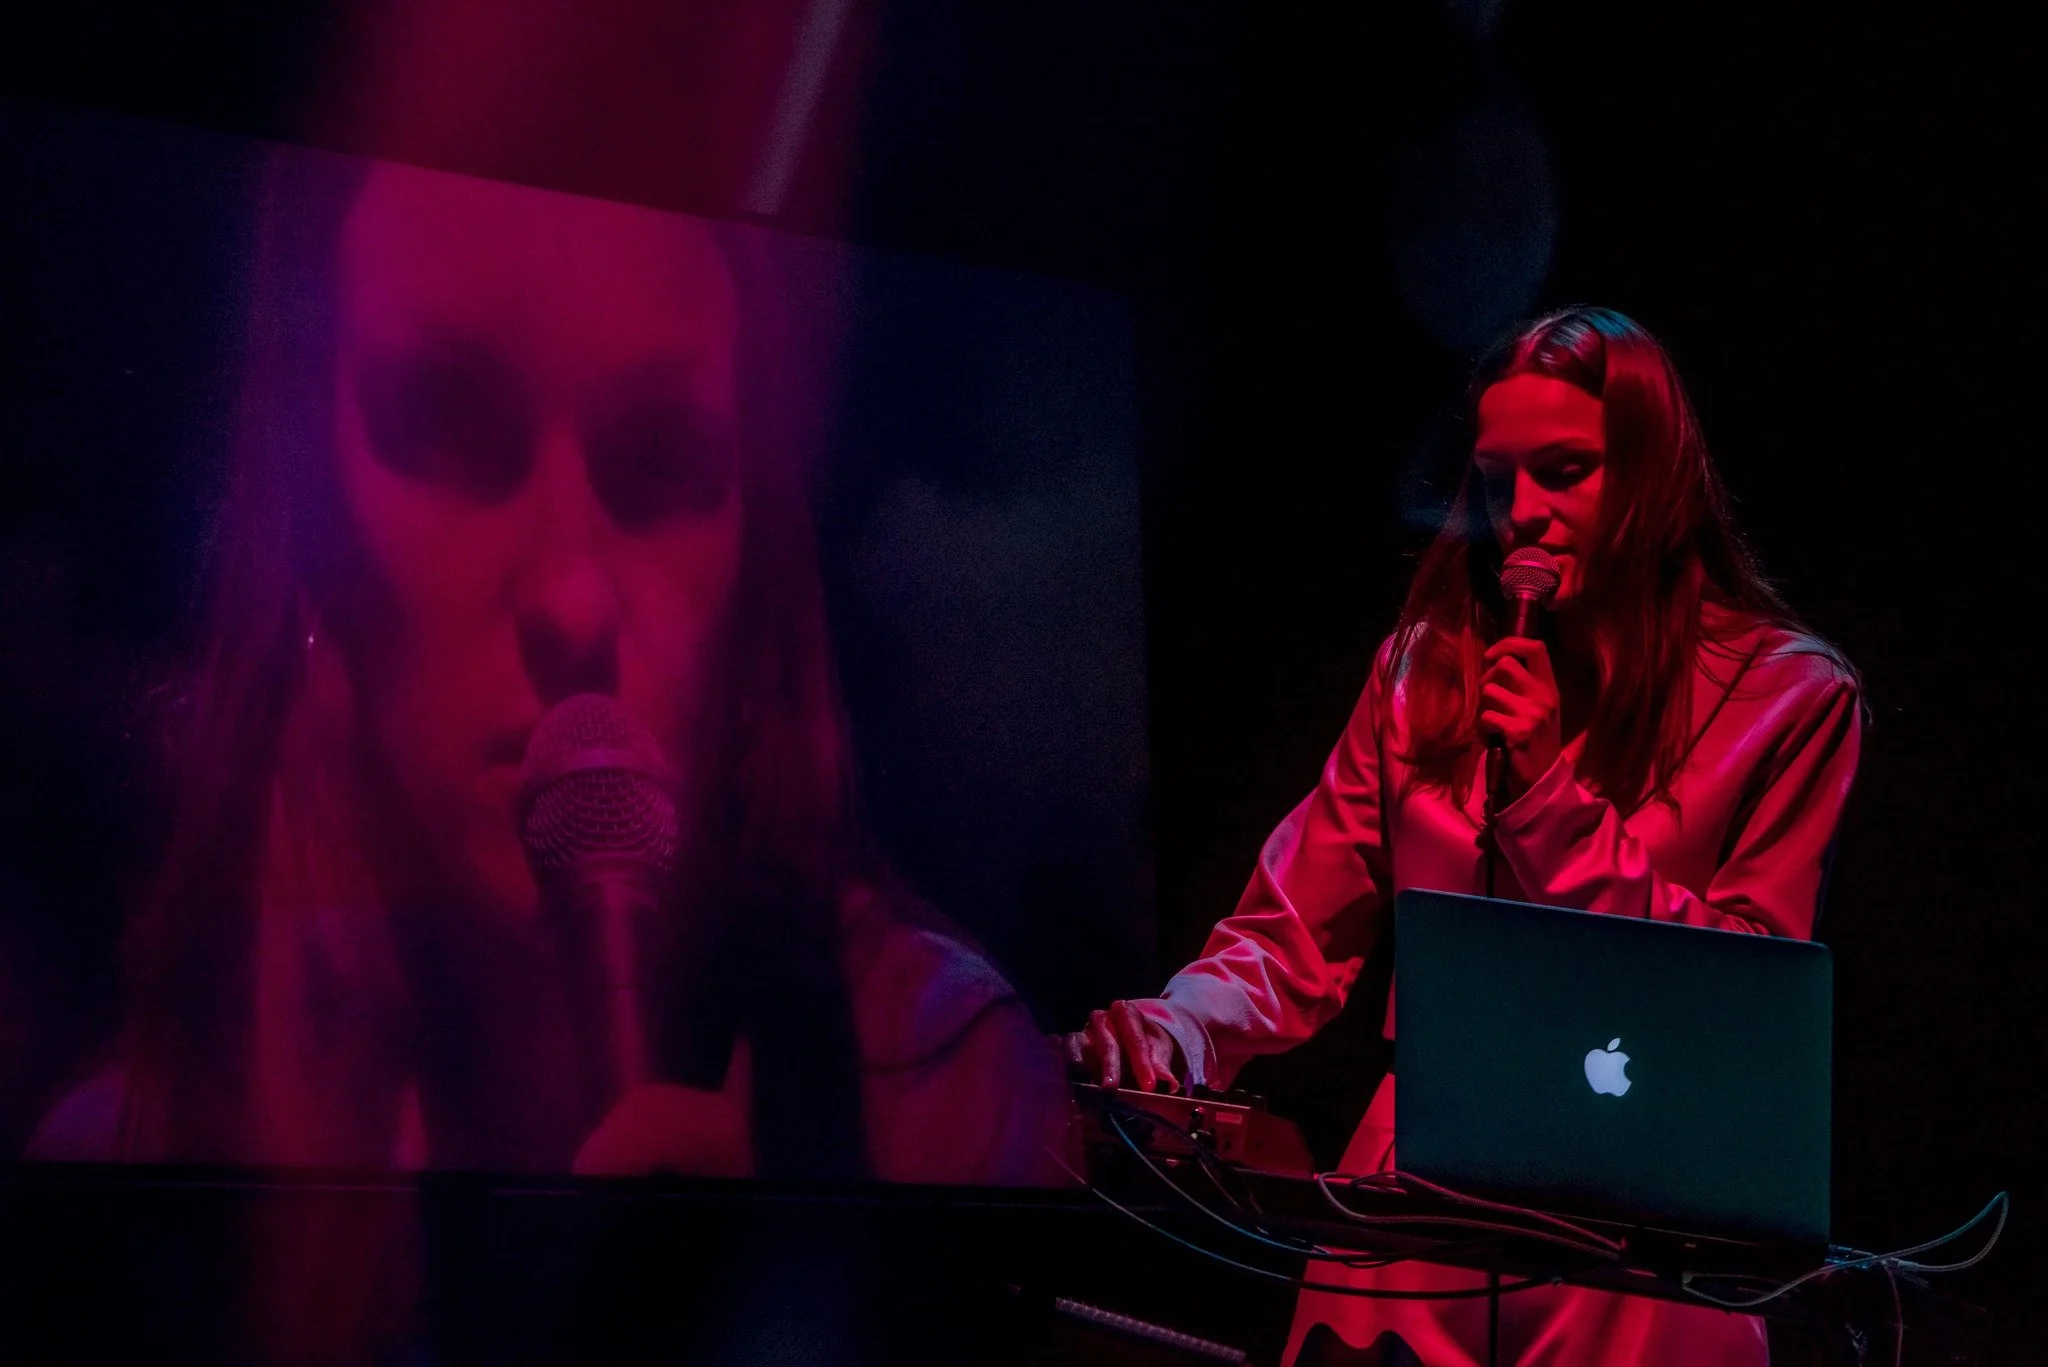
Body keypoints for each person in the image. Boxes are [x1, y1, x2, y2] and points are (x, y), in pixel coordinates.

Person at [29, 151, 1071, 1189]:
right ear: (310, 519)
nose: (572, 599)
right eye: (445, 422)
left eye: (661, 452)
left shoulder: (950, 1102)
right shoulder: (125, 1160)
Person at [1064, 307, 1861, 1366]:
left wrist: (1551, 798)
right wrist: (1179, 1030)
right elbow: (1292, 930)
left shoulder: (1786, 698)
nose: (1522, 514)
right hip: (1416, 1217)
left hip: (1638, 1221)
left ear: (1653, 474)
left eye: (1564, 472)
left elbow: (1746, 998)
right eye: (1495, 481)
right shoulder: (1422, 672)